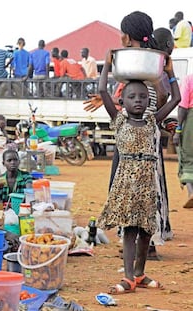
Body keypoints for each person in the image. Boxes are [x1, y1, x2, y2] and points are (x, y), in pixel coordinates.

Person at [83, 12, 177, 253]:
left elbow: (161, 99)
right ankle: (142, 244)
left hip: (135, 141)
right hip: (146, 136)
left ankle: (144, 245)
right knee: (147, 191)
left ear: (125, 36)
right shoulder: (146, 66)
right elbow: (162, 98)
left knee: (133, 190)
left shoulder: (141, 64)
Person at [97, 41, 180, 294]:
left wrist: (170, 72)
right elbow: (102, 90)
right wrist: (108, 64)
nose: (138, 101)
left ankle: (140, 273)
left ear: (148, 101)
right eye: (132, 97)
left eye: (143, 97)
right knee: (130, 230)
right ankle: (129, 277)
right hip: (126, 184)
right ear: (122, 100)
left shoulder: (153, 121)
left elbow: (176, 98)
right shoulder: (119, 120)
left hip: (147, 184)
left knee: (146, 231)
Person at [173, 73, 193, 208]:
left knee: (187, 156)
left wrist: (178, 130)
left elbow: (183, 106)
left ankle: (191, 193)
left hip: (191, 121)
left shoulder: (189, 79)